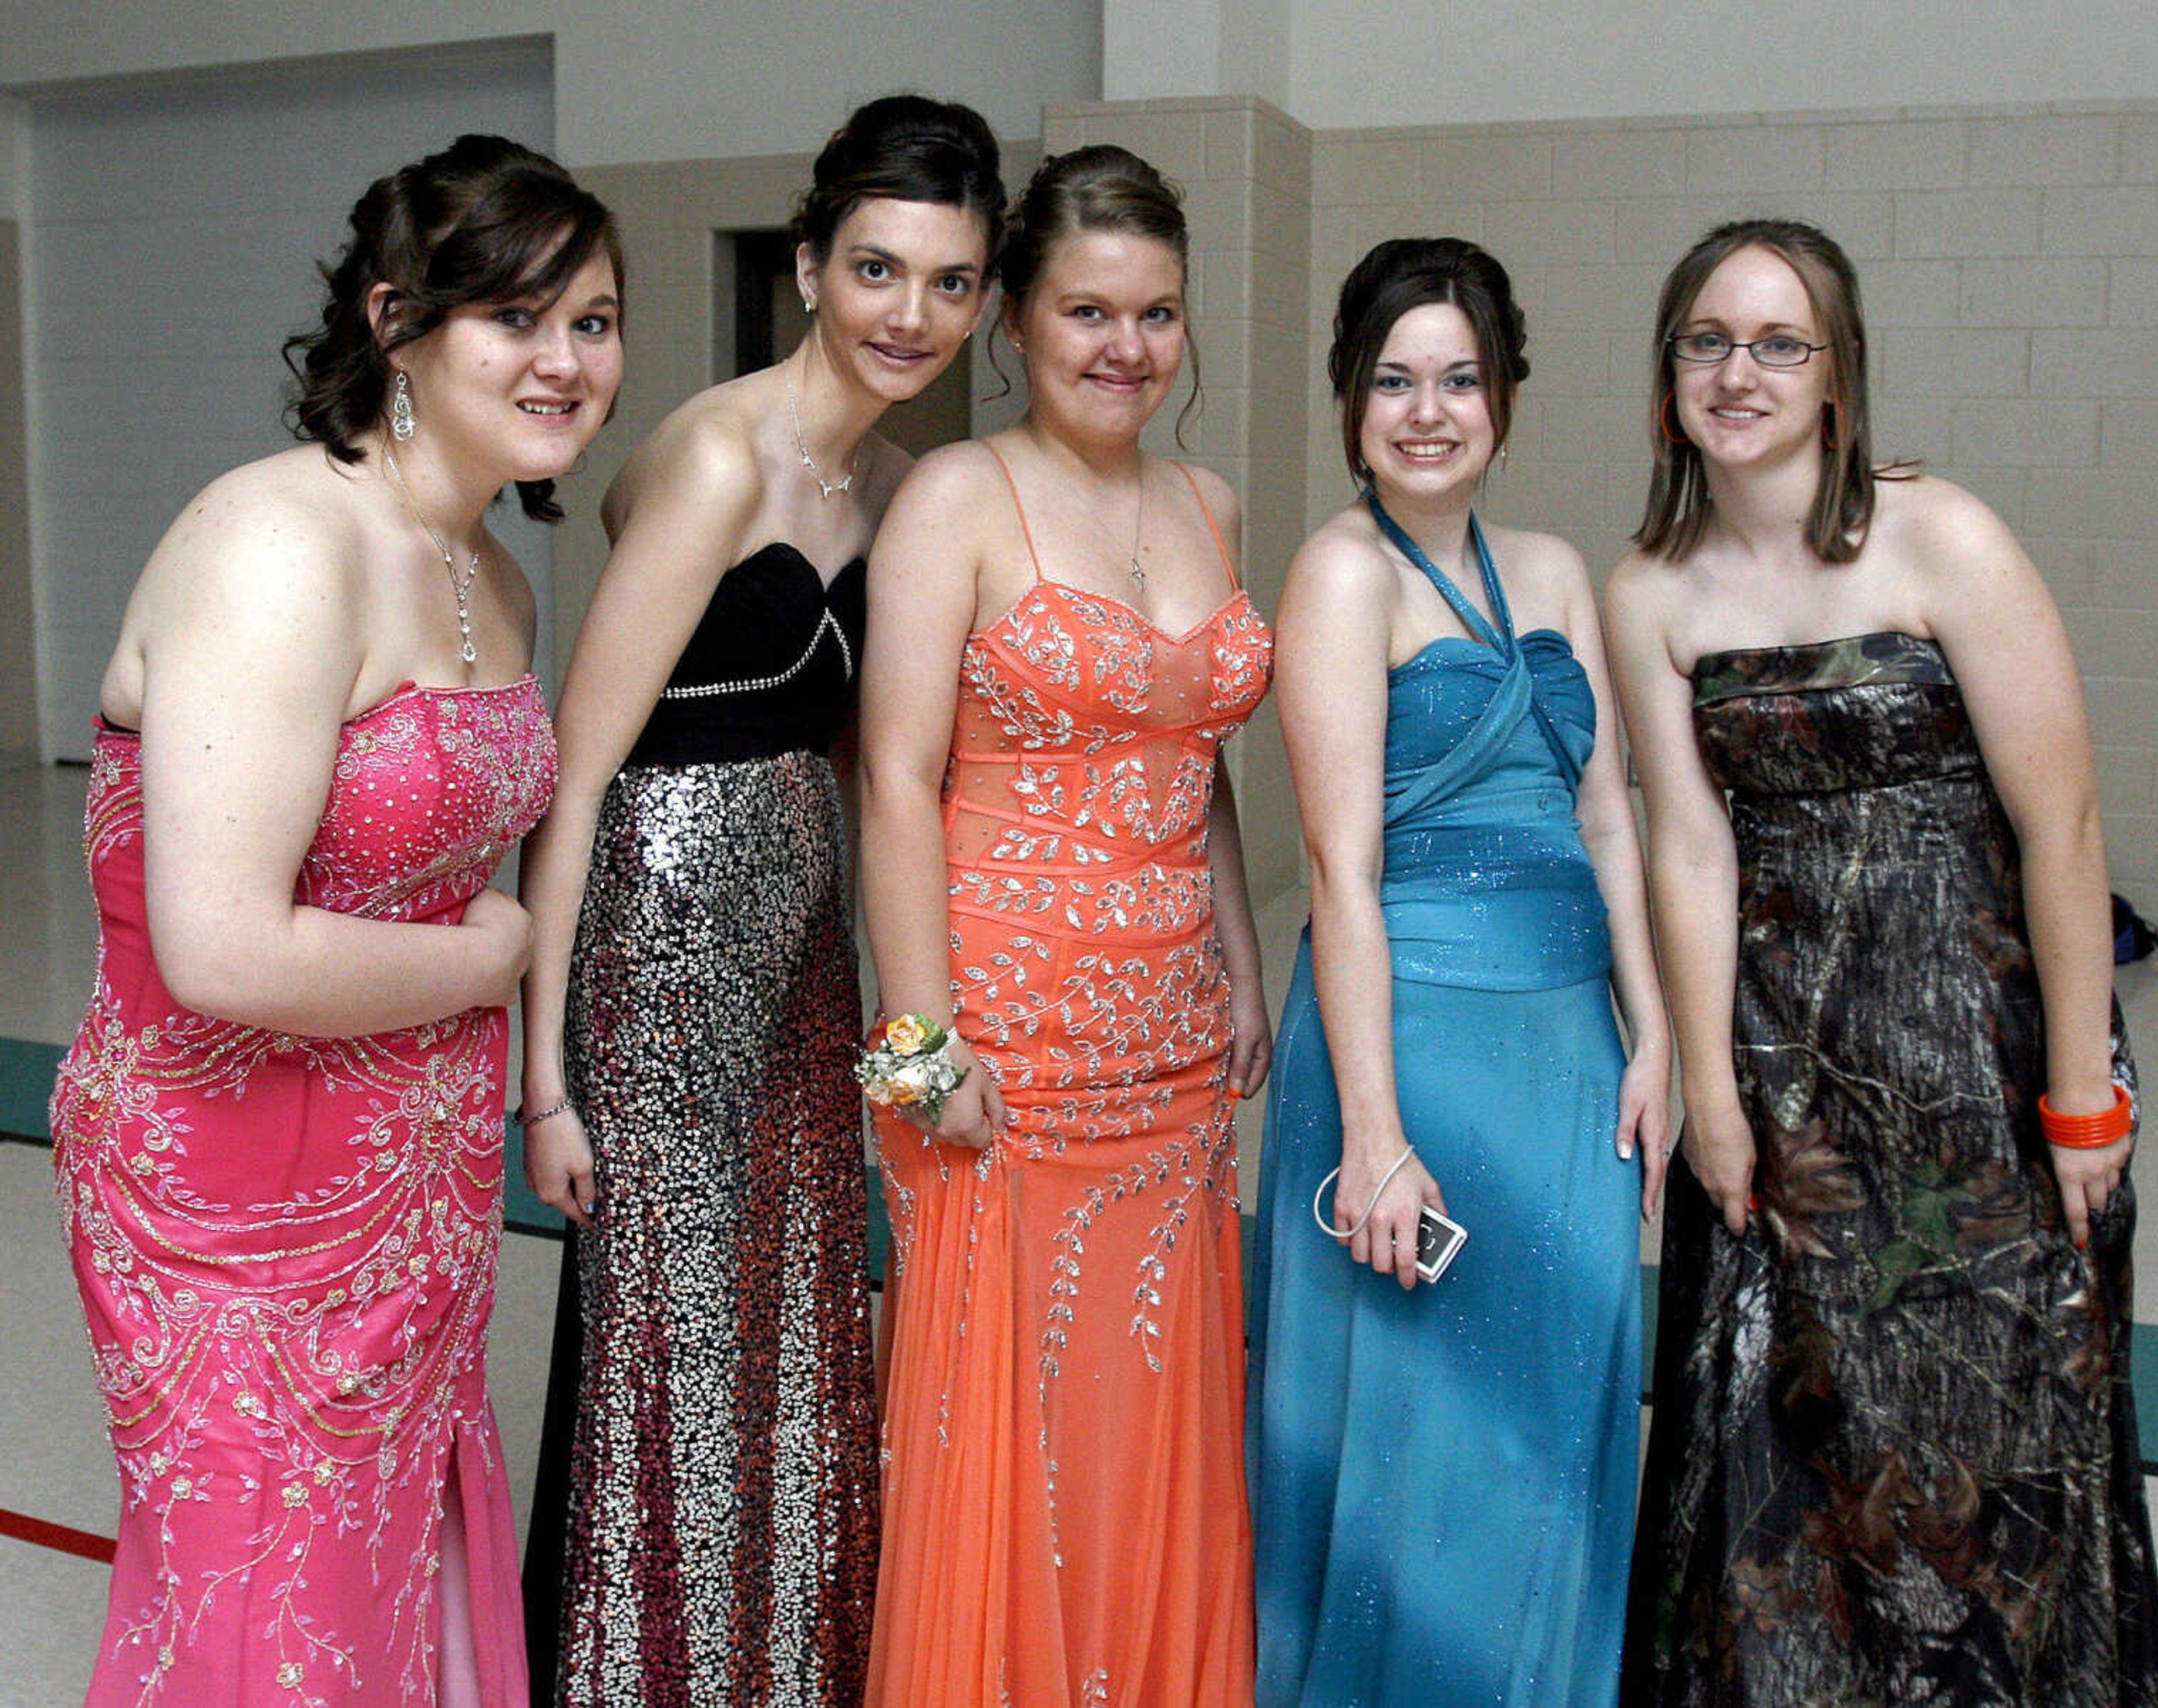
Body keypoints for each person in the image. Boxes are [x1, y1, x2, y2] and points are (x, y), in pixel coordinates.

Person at [46, 135, 623, 1707]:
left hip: (418, 1183)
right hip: (229, 1202)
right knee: (263, 1604)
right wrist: (501, 957)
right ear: (396, 322)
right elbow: (219, 947)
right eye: (518, 317)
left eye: (593, 320)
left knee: (377, 1577)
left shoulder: (488, 578)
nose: (567, 362)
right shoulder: (277, 542)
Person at [1608, 218, 2158, 1708]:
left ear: (1837, 376)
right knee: (1804, 1451)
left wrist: (2080, 1094)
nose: (1740, 374)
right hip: (1792, 1071)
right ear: (1669, 374)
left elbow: (2062, 824)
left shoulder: (1940, 537)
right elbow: (1688, 850)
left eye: (1778, 344)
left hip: (1982, 1070)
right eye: (1708, 342)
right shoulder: (1652, 589)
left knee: (2001, 1445)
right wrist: (1719, 1106)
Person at [511, 96, 1003, 1707]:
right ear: (808, 266)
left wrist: (903, 1015)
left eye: (948, 281)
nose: (908, 315)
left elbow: (888, 784)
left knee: (792, 1317)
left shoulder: (896, 479)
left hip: (800, 961)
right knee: (675, 1343)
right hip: (660, 942)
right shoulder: (720, 457)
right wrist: (550, 1087)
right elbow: (575, 779)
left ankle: (781, 1661)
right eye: (875, 268)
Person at [856, 144, 1271, 1707]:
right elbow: (896, 781)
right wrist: (921, 1040)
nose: (1126, 349)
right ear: (1020, 320)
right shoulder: (961, 495)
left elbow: (1200, 762)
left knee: (1142, 1416)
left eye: (1157, 315)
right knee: (1006, 1431)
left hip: (1171, 1053)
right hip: (1002, 1051)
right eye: (1089, 311)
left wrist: (1240, 960)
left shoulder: (1208, 499)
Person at [1244, 237, 1670, 1708]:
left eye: (1462, 379)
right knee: (1416, 1429)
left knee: (1556, 1405)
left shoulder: (1551, 567)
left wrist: (1656, 1035)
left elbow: (1609, 815)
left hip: (1566, 1053)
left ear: (1507, 396)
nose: (1429, 411)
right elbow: (1342, 874)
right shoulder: (1340, 574)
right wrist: (1374, 1137)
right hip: (1410, 1045)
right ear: (1354, 400)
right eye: (1395, 381)